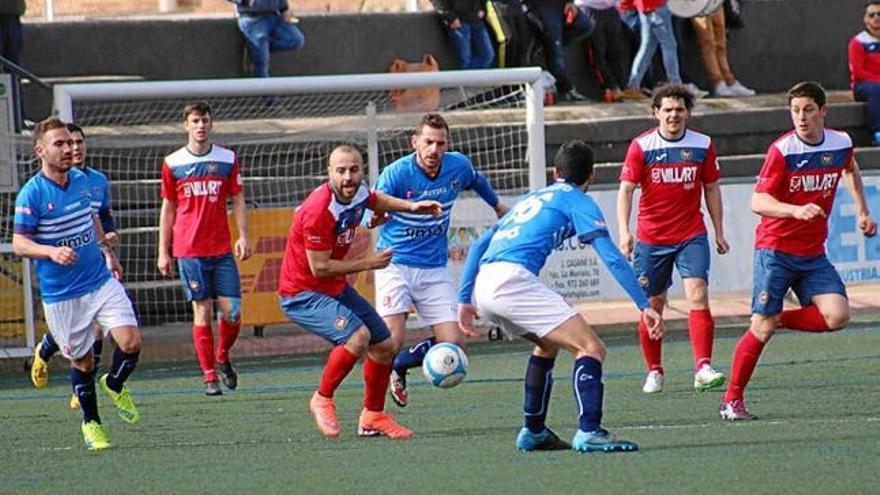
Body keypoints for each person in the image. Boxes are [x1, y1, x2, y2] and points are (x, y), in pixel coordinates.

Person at [458, 140, 662, 453]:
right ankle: (590, 431)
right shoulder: (577, 200)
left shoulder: (534, 197)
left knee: (548, 343)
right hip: (512, 281)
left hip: (485, 284)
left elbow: (477, 246)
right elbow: (611, 256)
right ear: (591, 176)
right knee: (591, 347)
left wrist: (464, 300)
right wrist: (643, 304)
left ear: (556, 172)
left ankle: (534, 431)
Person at [719, 82, 877, 420]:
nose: (801, 118)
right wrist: (795, 209)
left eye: (807, 110)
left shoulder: (840, 143)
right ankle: (731, 400)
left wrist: (863, 209)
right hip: (775, 250)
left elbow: (849, 167)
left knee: (837, 315)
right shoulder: (783, 150)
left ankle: (777, 318)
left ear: (823, 111)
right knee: (760, 329)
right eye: (795, 111)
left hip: (812, 253)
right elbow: (756, 201)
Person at [277, 145, 442, 439]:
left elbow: (376, 199)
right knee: (358, 337)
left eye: (354, 169)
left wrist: (412, 206)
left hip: (333, 287)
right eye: (340, 170)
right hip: (302, 294)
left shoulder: (358, 192)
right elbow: (320, 268)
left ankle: (373, 416)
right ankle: (322, 397)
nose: (348, 177)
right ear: (329, 173)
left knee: (385, 345)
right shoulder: (319, 210)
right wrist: (370, 263)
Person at [14, 118, 142, 451]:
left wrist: (107, 251)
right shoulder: (33, 194)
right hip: (63, 295)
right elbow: (19, 243)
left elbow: (92, 216)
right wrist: (51, 251)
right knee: (83, 361)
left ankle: (114, 383)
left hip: (99, 281)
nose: (70, 149)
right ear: (40, 151)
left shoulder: (84, 180)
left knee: (130, 342)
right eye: (60, 144)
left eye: (71, 143)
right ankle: (92, 422)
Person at [372, 113, 508, 408]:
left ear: (447, 145)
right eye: (428, 142)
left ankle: (402, 365)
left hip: (433, 268)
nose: (434, 149)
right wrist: (375, 217)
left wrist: (497, 205)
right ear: (415, 143)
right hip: (395, 263)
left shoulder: (457, 166)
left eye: (440, 143)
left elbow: (476, 180)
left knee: (455, 342)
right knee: (390, 341)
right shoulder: (397, 173)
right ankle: (373, 409)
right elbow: (375, 202)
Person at [617, 84, 728, 394]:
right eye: (667, 110)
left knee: (698, 293)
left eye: (679, 109)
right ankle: (654, 370)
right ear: (656, 113)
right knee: (654, 304)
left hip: (691, 233)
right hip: (652, 238)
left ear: (688, 113)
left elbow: (712, 188)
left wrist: (719, 231)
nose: (673, 115)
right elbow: (626, 189)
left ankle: (703, 367)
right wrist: (625, 232)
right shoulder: (642, 146)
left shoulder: (703, 145)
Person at [157, 102, 253, 396]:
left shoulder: (227, 158)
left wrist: (243, 235)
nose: (200, 126)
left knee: (233, 313)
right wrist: (164, 250)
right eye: (195, 121)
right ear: (186, 125)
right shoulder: (173, 163)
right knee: (202, 309)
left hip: (221, 248)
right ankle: (209, 376)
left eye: (205, 120)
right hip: (189, 249)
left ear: (211, 124)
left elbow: (237, 197)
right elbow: (168, 207)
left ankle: (222, 356)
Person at [30, 123, 123, 410]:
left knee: (96, 328)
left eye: (79, 142)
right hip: (65, 271)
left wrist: (109, 239)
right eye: (68, 142)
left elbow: (103, 216)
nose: (75, 148)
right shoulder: (46, 187)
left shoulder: (95, 181)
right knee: (80, 329)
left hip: (94, 264)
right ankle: (46, 349)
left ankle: (84, 387)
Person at [524, 0, 595, 101]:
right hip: (542, 7)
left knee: (586, 25)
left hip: (561, 5)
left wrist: (570, 2)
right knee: (555, 52)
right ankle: (566, 88)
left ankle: (549, 44)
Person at [621, 0, 681, 101]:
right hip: (656, 5)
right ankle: (676, 84)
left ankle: (633, 85)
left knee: (647, 46)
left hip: (645, 7)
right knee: (669, 45)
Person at [690, 5, 755, 97]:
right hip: (698, 4)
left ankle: (729, 81)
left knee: (720, 42)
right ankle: (718, 82)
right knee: (708, 42)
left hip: (715, 4)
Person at [227, 0, 305, 77]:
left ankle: (257, 50)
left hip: (274, 16)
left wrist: (284, 9)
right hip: (252, 19)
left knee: (296, 40)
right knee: (261, 62)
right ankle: (262, 88)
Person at [574, 0, 627, 103]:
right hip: (589, 8)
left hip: (611, 9)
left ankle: (620, 87)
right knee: (596, 53)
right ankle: (610, 87)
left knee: (616, 53)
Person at [429, 0, 496, 69]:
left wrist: (482, 8)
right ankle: (469, 78)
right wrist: (451, 17)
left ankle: (472, 78)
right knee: (465, 60)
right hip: (459, 23)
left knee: (488, 55)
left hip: (476, 19)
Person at [849, 0, 880, 145]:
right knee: (877, 90)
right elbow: (859, 73)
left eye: (879, 14)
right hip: (863, 86)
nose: (876, 17)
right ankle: (877, 133)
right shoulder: (858, 42)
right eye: (872, 14)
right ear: (866, 19)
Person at [485, 0, 531, 68]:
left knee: (523, 40)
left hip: (516, 5)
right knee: (510, 39)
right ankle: (506, 69)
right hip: (501, 5)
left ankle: (519, 69)